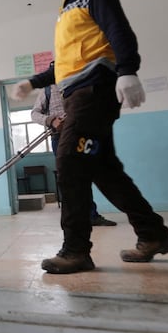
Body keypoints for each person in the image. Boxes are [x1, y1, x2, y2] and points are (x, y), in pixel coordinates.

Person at [11, 0, 168, 274]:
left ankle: (75, 250)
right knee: (105, 171)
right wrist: (31, 82)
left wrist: (128, 70)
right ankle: (154, 234)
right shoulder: (65, 13)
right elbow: (62, 66)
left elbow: (119, 30)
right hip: (77, 93)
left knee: (69, 162)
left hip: (94, 90)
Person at [29, 77, 117, 227]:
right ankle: (75, 219)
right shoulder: (48, 90)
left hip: (82, 134)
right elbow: (34, 114)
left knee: (85, 175)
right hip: (60, 137)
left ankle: (91, 215)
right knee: (69, 178)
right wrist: (51, 120)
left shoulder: (79, 83)